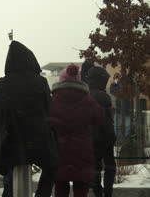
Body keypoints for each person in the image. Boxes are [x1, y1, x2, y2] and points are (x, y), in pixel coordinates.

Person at [0, 41, 57, 197]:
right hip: (38, 138)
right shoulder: (40, 82)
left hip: (12, 138)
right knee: (52, 167)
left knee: (12, 177)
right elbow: (49, 110)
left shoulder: (1, 85)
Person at [50, 64, 104, 197]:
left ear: (61, 80)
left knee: (60, 187)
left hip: (59, 150)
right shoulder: (88, 100)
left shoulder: (53, 100)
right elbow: (99, 118)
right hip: (82, 151)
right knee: (81, 188)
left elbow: (47, 122)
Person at [87, 66, 116, 197]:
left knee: (95, 167)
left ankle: (98, 192)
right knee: (110, 166)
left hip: (92, 138)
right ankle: (107, 193)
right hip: (106, 137)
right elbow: (108, 119)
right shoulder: (104, 97)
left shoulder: (86, 95)